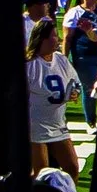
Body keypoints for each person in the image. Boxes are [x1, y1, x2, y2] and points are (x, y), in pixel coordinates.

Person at [25, 17, 80, 177]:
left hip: (58, 123)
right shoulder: (29, 65)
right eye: (55, 36)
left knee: (72, 168)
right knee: (41, 173)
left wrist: (74, 92)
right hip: (35, 125)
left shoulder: (61, 60)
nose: (58, 40)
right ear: (42, 38)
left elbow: (75, 82)